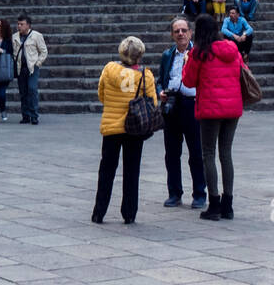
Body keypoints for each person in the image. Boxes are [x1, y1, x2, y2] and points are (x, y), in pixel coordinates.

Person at [182, 13, 242, 222]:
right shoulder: (232, 49)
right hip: (232, 108)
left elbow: (188, 82)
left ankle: (214, 203)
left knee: (208, 153)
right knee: (226, 154)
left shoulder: (199, 52)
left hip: (210, 109)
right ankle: (228, 205)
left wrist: (186, 62)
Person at [92, 36, 159, 225]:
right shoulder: (145, 75)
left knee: (106, 170)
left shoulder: (109, 69)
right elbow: (152, 103)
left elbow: (102, 95)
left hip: (111, 127)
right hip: (134, 128)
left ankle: (99, 212)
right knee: (132, 171)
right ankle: (129, 213)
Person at [158, 17, 206, 210]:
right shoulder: (167, 55)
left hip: (191, 103)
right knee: (171, 153)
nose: (180, 34)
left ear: (190, 32)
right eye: (176, 31)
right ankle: (174, 193)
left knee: (196, 152)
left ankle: (200, 194)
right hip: (171, 103)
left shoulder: (198, 54)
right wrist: (160, 91)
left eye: (183, 30)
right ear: (172, 34)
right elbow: (161, 78)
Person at [13, 14, 48, 125]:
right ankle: (25, 115)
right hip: (20, 68)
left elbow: (44, 51)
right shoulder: (15, 37)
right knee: (23, 92)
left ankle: (34, 115)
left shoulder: (36, 36)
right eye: (18, 24)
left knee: (32, 90)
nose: (19, 26)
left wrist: (37, 63)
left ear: (28, 25)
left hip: (32, 67)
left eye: (22, 24)